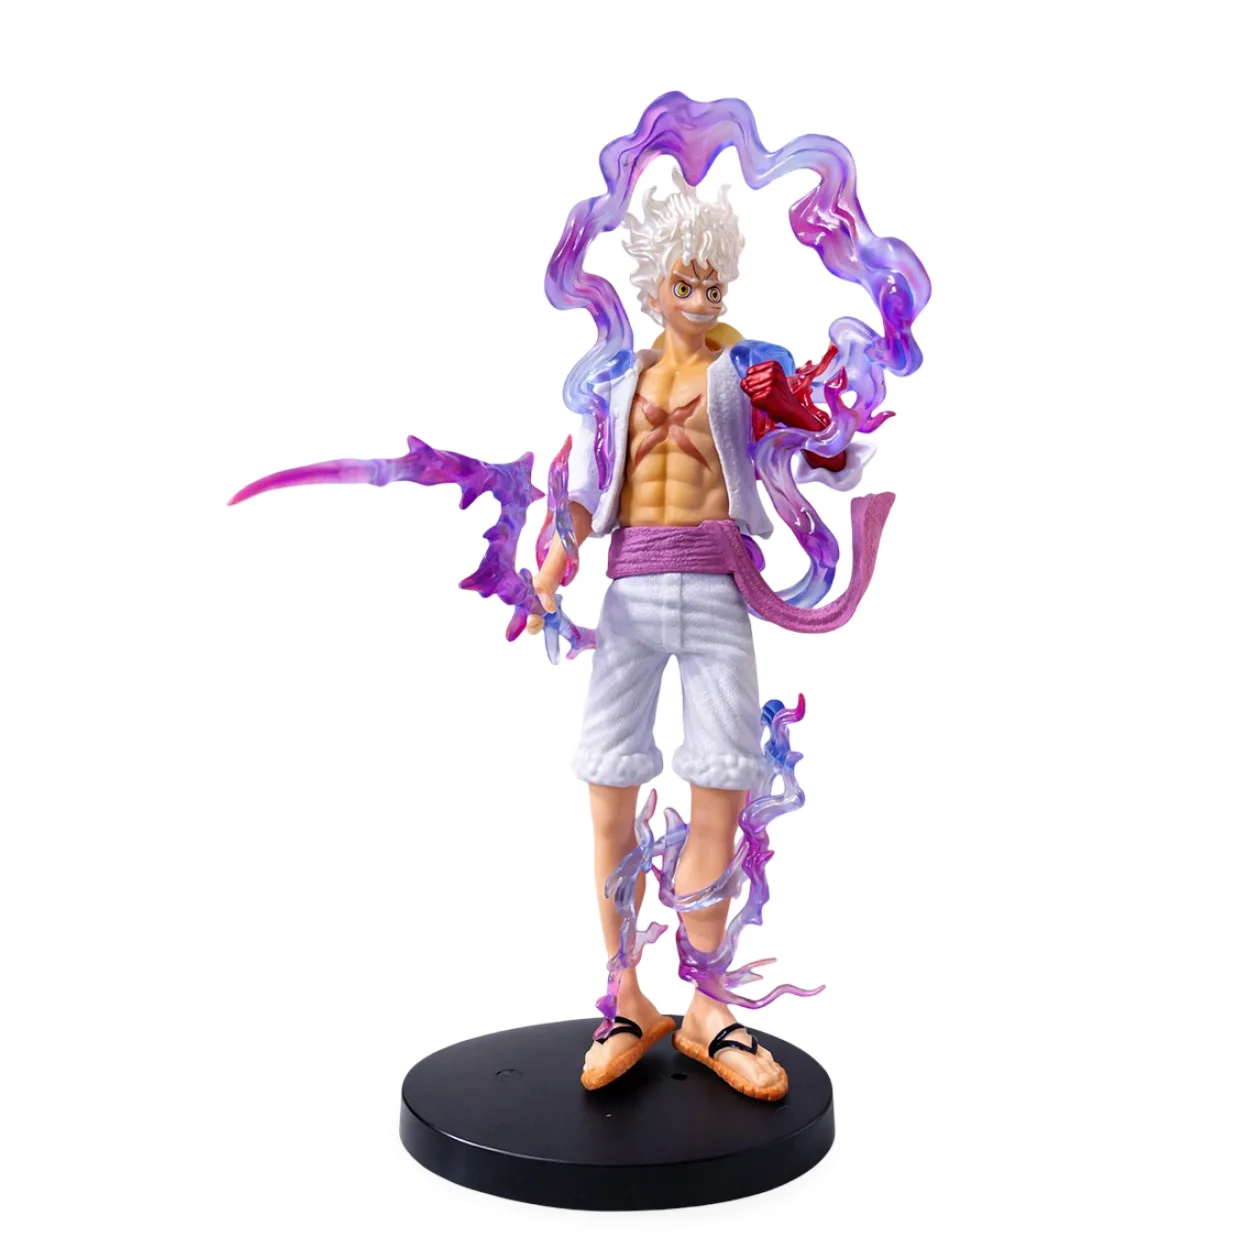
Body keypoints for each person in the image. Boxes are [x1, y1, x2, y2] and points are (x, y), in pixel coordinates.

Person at [527, 172, 870, 1100]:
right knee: (608, 787)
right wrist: (550, 571)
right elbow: (583, 493)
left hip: (717, 585)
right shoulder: (616, 383)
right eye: (686, 282)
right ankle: (625, 996)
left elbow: (835, 455)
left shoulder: (749, 369)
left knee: (721, 783)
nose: (703, 297)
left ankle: (708, 1006)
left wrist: (796, 410)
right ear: (653, 287)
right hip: (631, 590)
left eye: (714, 283)